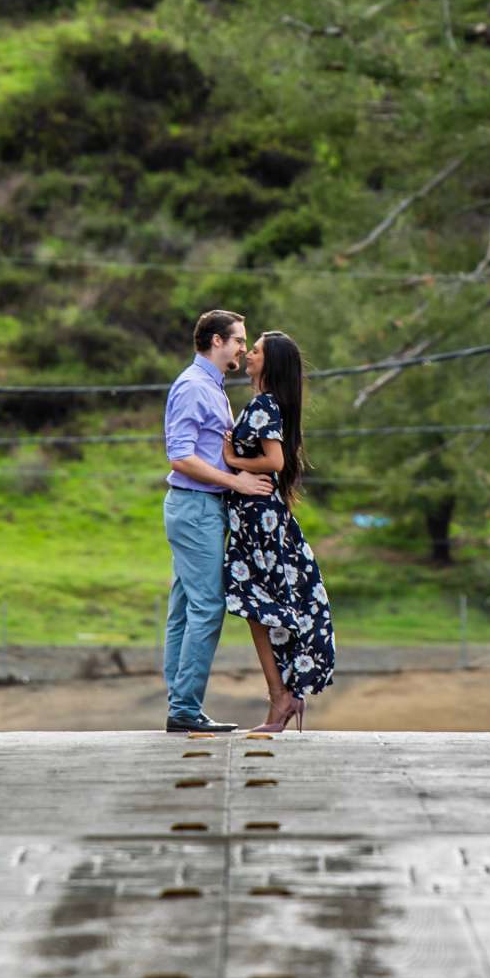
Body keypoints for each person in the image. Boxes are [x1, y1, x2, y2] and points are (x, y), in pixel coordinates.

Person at [219, 331, 335, 732]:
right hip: (254, 520)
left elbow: (274, 460)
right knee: (257, 608)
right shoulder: (264, 403)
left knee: (259, 607)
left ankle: (282, 697)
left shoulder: (266, 405)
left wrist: (232, 459)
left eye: (255, 351)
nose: (248, 354)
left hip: (260, 521)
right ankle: (284, 696)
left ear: (269, 364)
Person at [163, 309, 271, 734]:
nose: (243, 349)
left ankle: (181, 704)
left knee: (185, 610)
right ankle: (185, 709)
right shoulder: (193, 387)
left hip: (200, 508)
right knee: (207, 607)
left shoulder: (212, 387)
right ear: (215, 341)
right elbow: (180, 456)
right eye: (239, 341)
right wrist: (236, 482)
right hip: (195, 508)